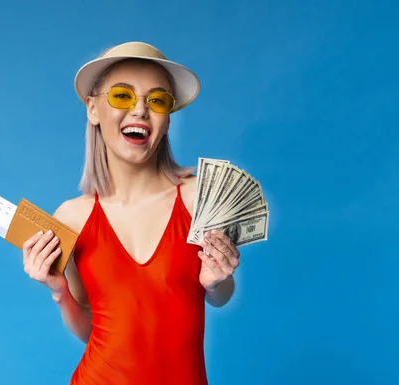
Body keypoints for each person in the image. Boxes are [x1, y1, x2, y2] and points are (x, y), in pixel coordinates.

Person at [21, 42, 241, 385]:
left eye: (157, 100)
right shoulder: (71, 217)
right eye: (122, 96)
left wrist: (218, 281)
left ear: (167, 119)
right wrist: (59, 291)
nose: (140, 110)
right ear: (93, 109)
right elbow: (91, 328)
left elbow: (220, 296)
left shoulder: (200, 197)